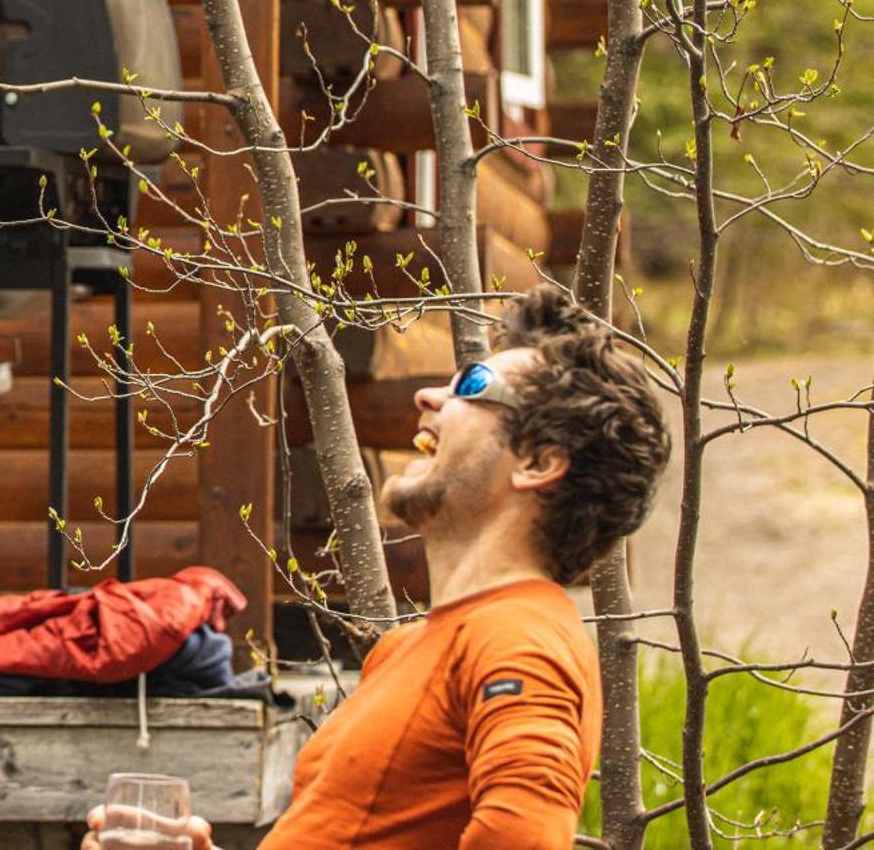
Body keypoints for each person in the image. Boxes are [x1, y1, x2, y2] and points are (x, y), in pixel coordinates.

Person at [84, 286, 671, 848]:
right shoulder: (412, 646)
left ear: (539, 462)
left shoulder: (519, 642)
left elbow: (523, 838)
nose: (430, 397)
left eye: (472, 384)